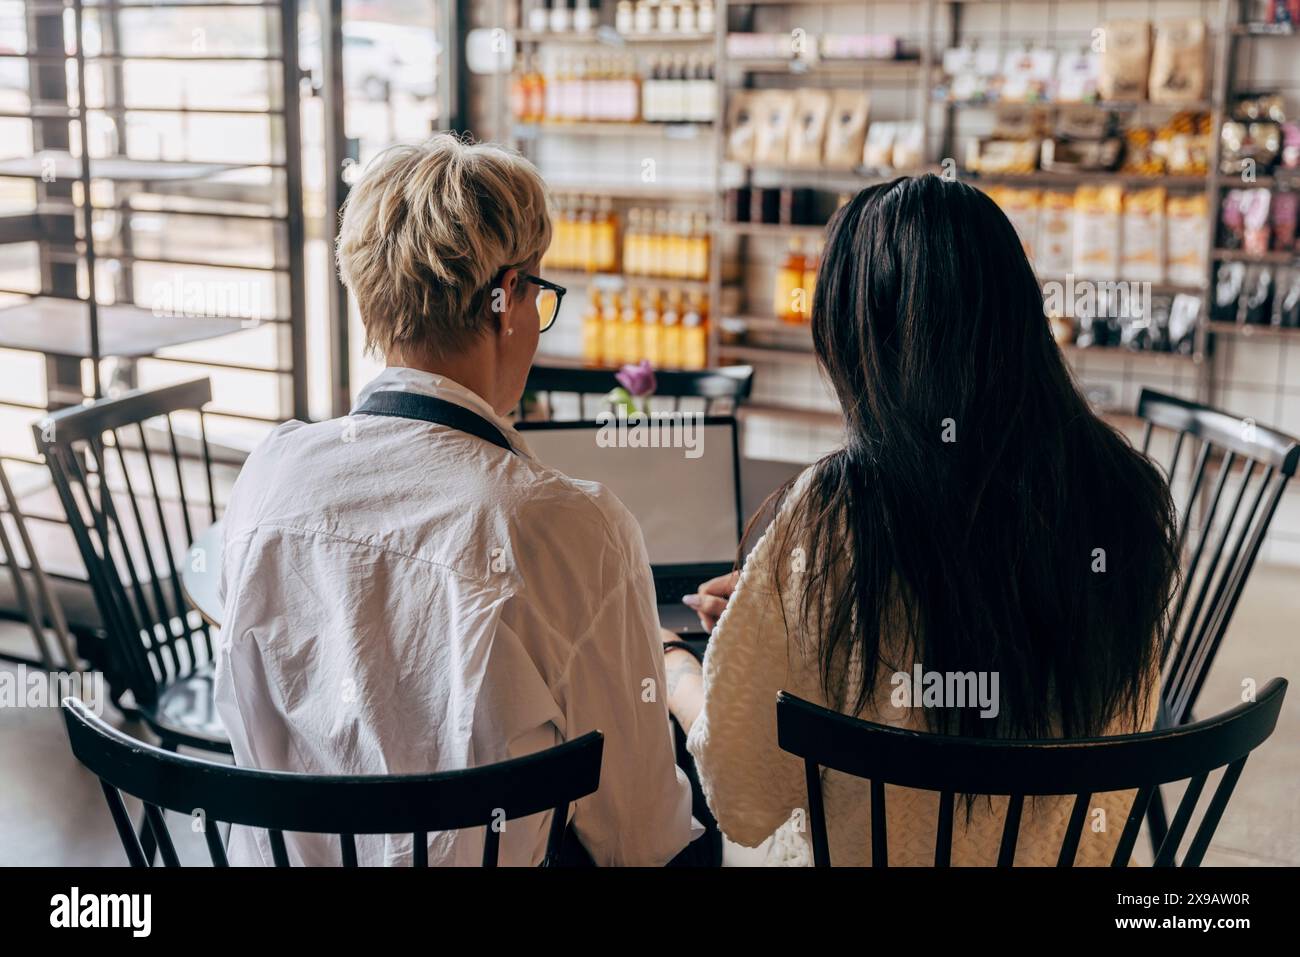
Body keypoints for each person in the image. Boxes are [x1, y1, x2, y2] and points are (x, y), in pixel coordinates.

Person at [663, 174, 1180, 866]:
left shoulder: (835, 514)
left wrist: (678, 669)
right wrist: (787, 625)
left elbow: (742, 794)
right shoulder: (1125, 495)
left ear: (858, 337)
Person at [215, 133, 698, 866]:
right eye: (540, 292)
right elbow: (644, 841)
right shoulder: (569, 526)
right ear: (508, 301)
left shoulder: (268, 476)